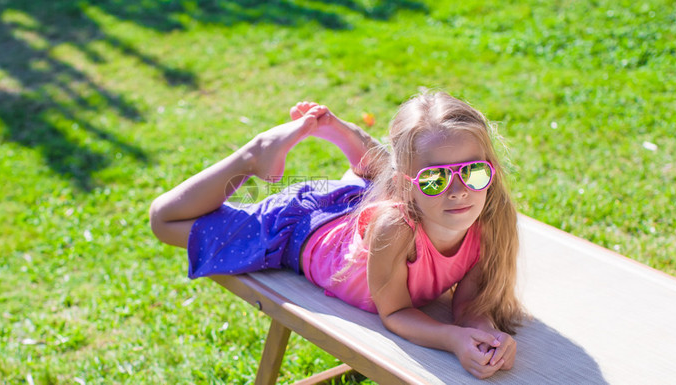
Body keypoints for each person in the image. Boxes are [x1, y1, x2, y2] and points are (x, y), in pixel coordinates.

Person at [149, 90, 524, 379]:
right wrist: (451, 339)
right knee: (166, 222)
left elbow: (471, 304)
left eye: (473, 172)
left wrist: (485, 334)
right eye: (435, 178)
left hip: (361, 203)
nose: (459, 190)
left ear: (491, 170)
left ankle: (335, 128)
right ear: (407, 187)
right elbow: (395, 313)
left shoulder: (487, 220)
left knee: (382, 175)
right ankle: (255, 153)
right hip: (299, 228)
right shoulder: (395, 230)